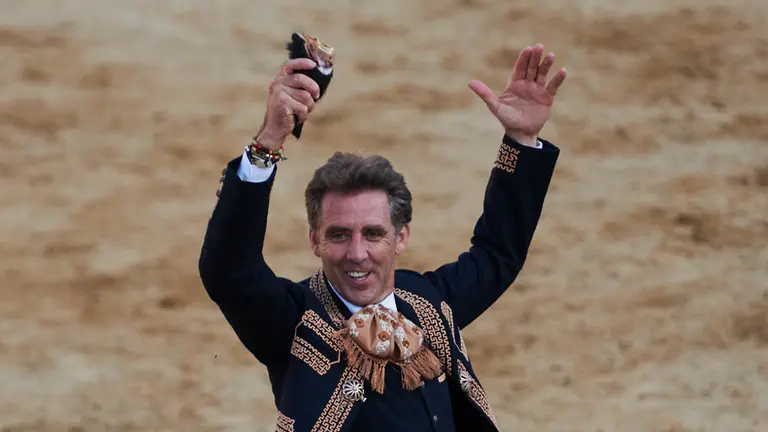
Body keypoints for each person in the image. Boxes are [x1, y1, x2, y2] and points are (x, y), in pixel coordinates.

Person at [199, 42, 567, 432]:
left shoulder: (425, 301)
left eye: (373, 234)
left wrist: (521, 141)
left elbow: (497, 253)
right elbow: (228, 270)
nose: (357, 253)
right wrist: (268, 142)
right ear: (314, 241)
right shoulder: (293, 322)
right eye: (339, 235)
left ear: (401, 237)